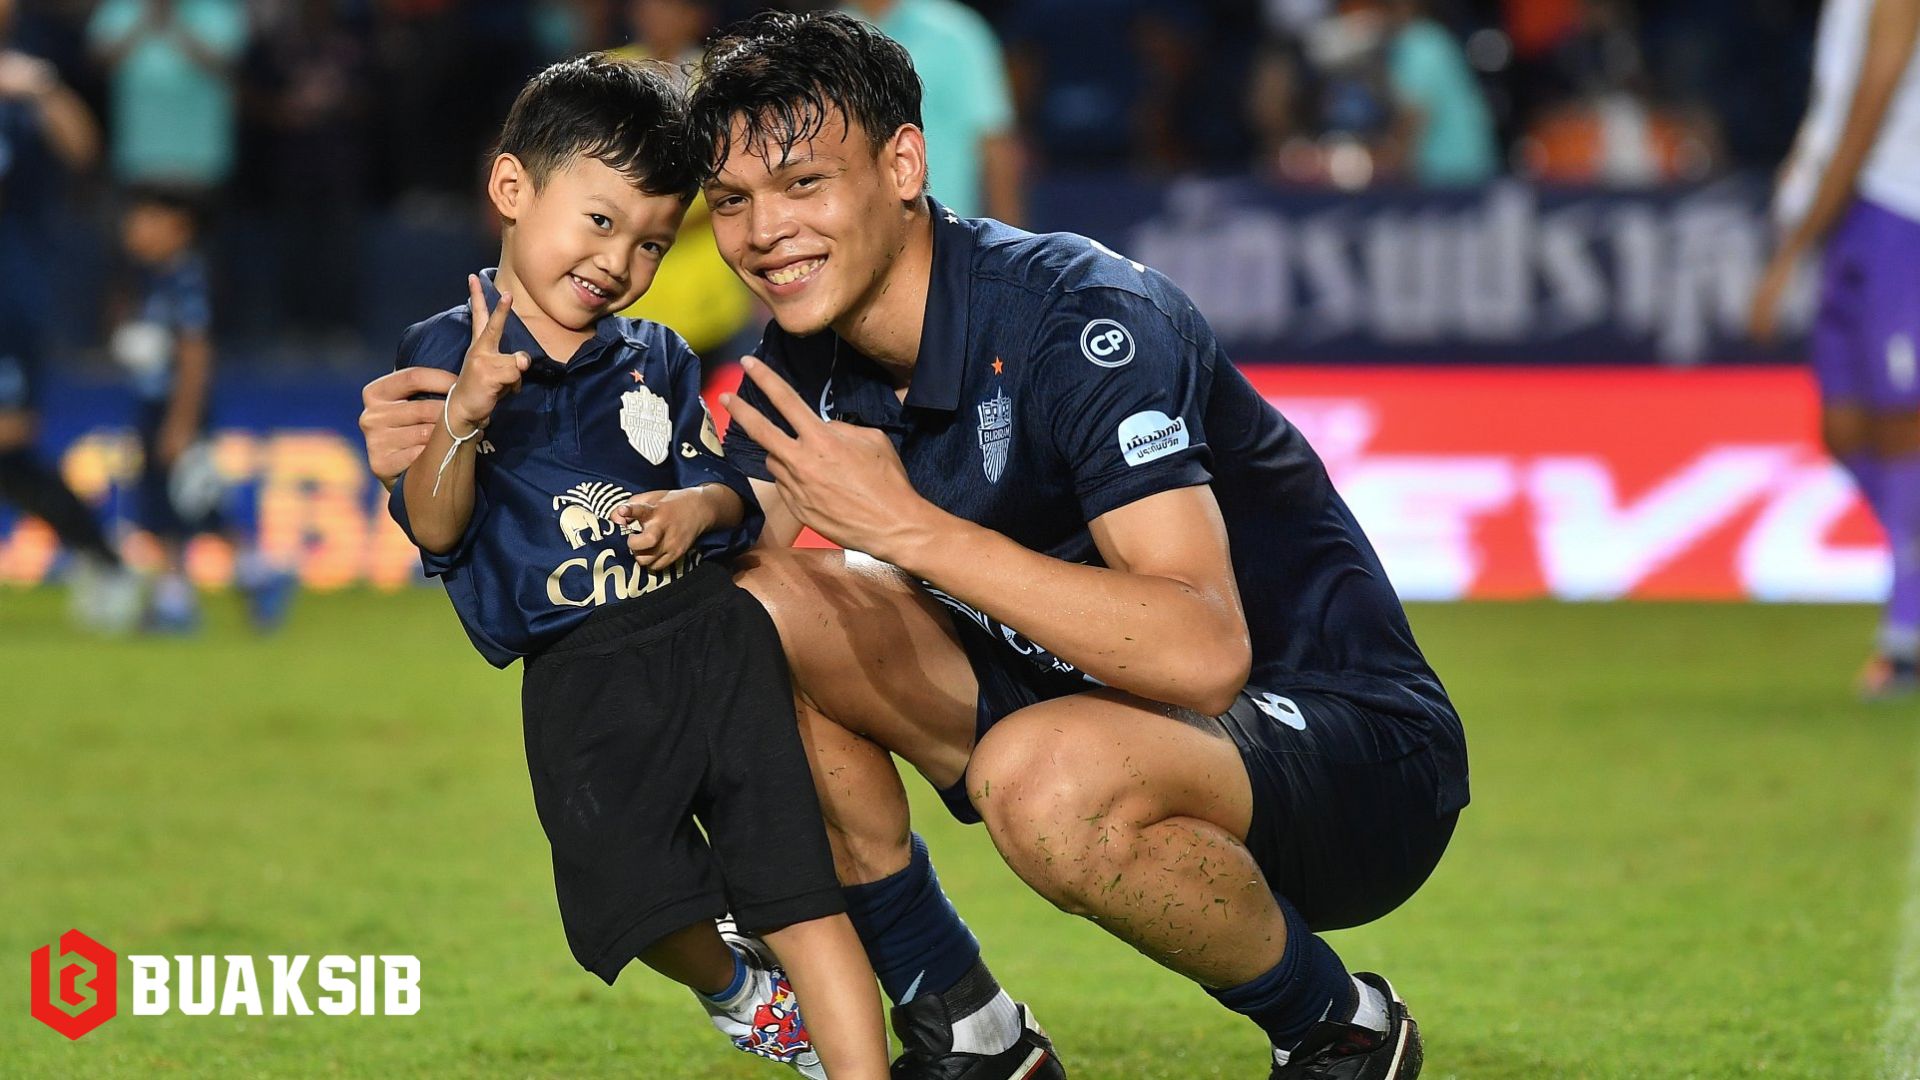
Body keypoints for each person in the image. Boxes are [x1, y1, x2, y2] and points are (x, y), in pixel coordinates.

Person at [363, 14, 1465, 1079]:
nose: (765, 232)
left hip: (1340, 754)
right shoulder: (804, 358)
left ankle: (1339, 1027)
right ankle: (967, 1026)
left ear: (902, 166)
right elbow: (697, 567)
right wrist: (448, 438)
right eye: (733, 201)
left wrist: (908, 529)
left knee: (1040, 777)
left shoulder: (1082, 318)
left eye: (804, 184)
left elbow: (1205, 651)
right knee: (750, 611)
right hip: (1078, 712)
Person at [383, 54, 887, 1080]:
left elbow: (733, 495)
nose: (619, 261)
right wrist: (465, 414)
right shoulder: (441, 353)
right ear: (513, 188)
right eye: (601, 222)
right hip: (579, 677)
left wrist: (701, 505)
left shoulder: (658, 357)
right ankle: (737, 988)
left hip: (714, 642)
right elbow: (435, 527)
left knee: (799, 890)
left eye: (653, 241)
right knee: (633, 902)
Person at [1751, 0, 1920, 699]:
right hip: (1854, 208)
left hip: (1901, 203)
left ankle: (1906, 637)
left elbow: (1873, 97)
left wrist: (1799, 237)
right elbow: (1837, 93)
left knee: (1902, 425)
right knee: (1844, 427)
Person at [0, 0, 141, 632]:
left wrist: (43, 90)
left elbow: (84, 150)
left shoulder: (25, 83)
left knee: (7, 446)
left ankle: (106, 561)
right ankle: (103, 559)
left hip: (10, 295)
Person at [110, 186, 297, 633]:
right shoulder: (152, 278)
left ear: (179, 227)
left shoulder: (186, 280)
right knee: (176, 502)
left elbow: (195, 354)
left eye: (146, 220)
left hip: (175, 408)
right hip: (156, 405)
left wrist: (181, 423)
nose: (133, 230)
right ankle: (193, 591)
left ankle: (236, 580)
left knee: (190, 499)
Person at [842, 0, 1024, 223]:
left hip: (945, 229)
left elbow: (995, 142)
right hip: (859, 229)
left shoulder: (955, 33)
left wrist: (1009, 235)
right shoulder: (829, 38)